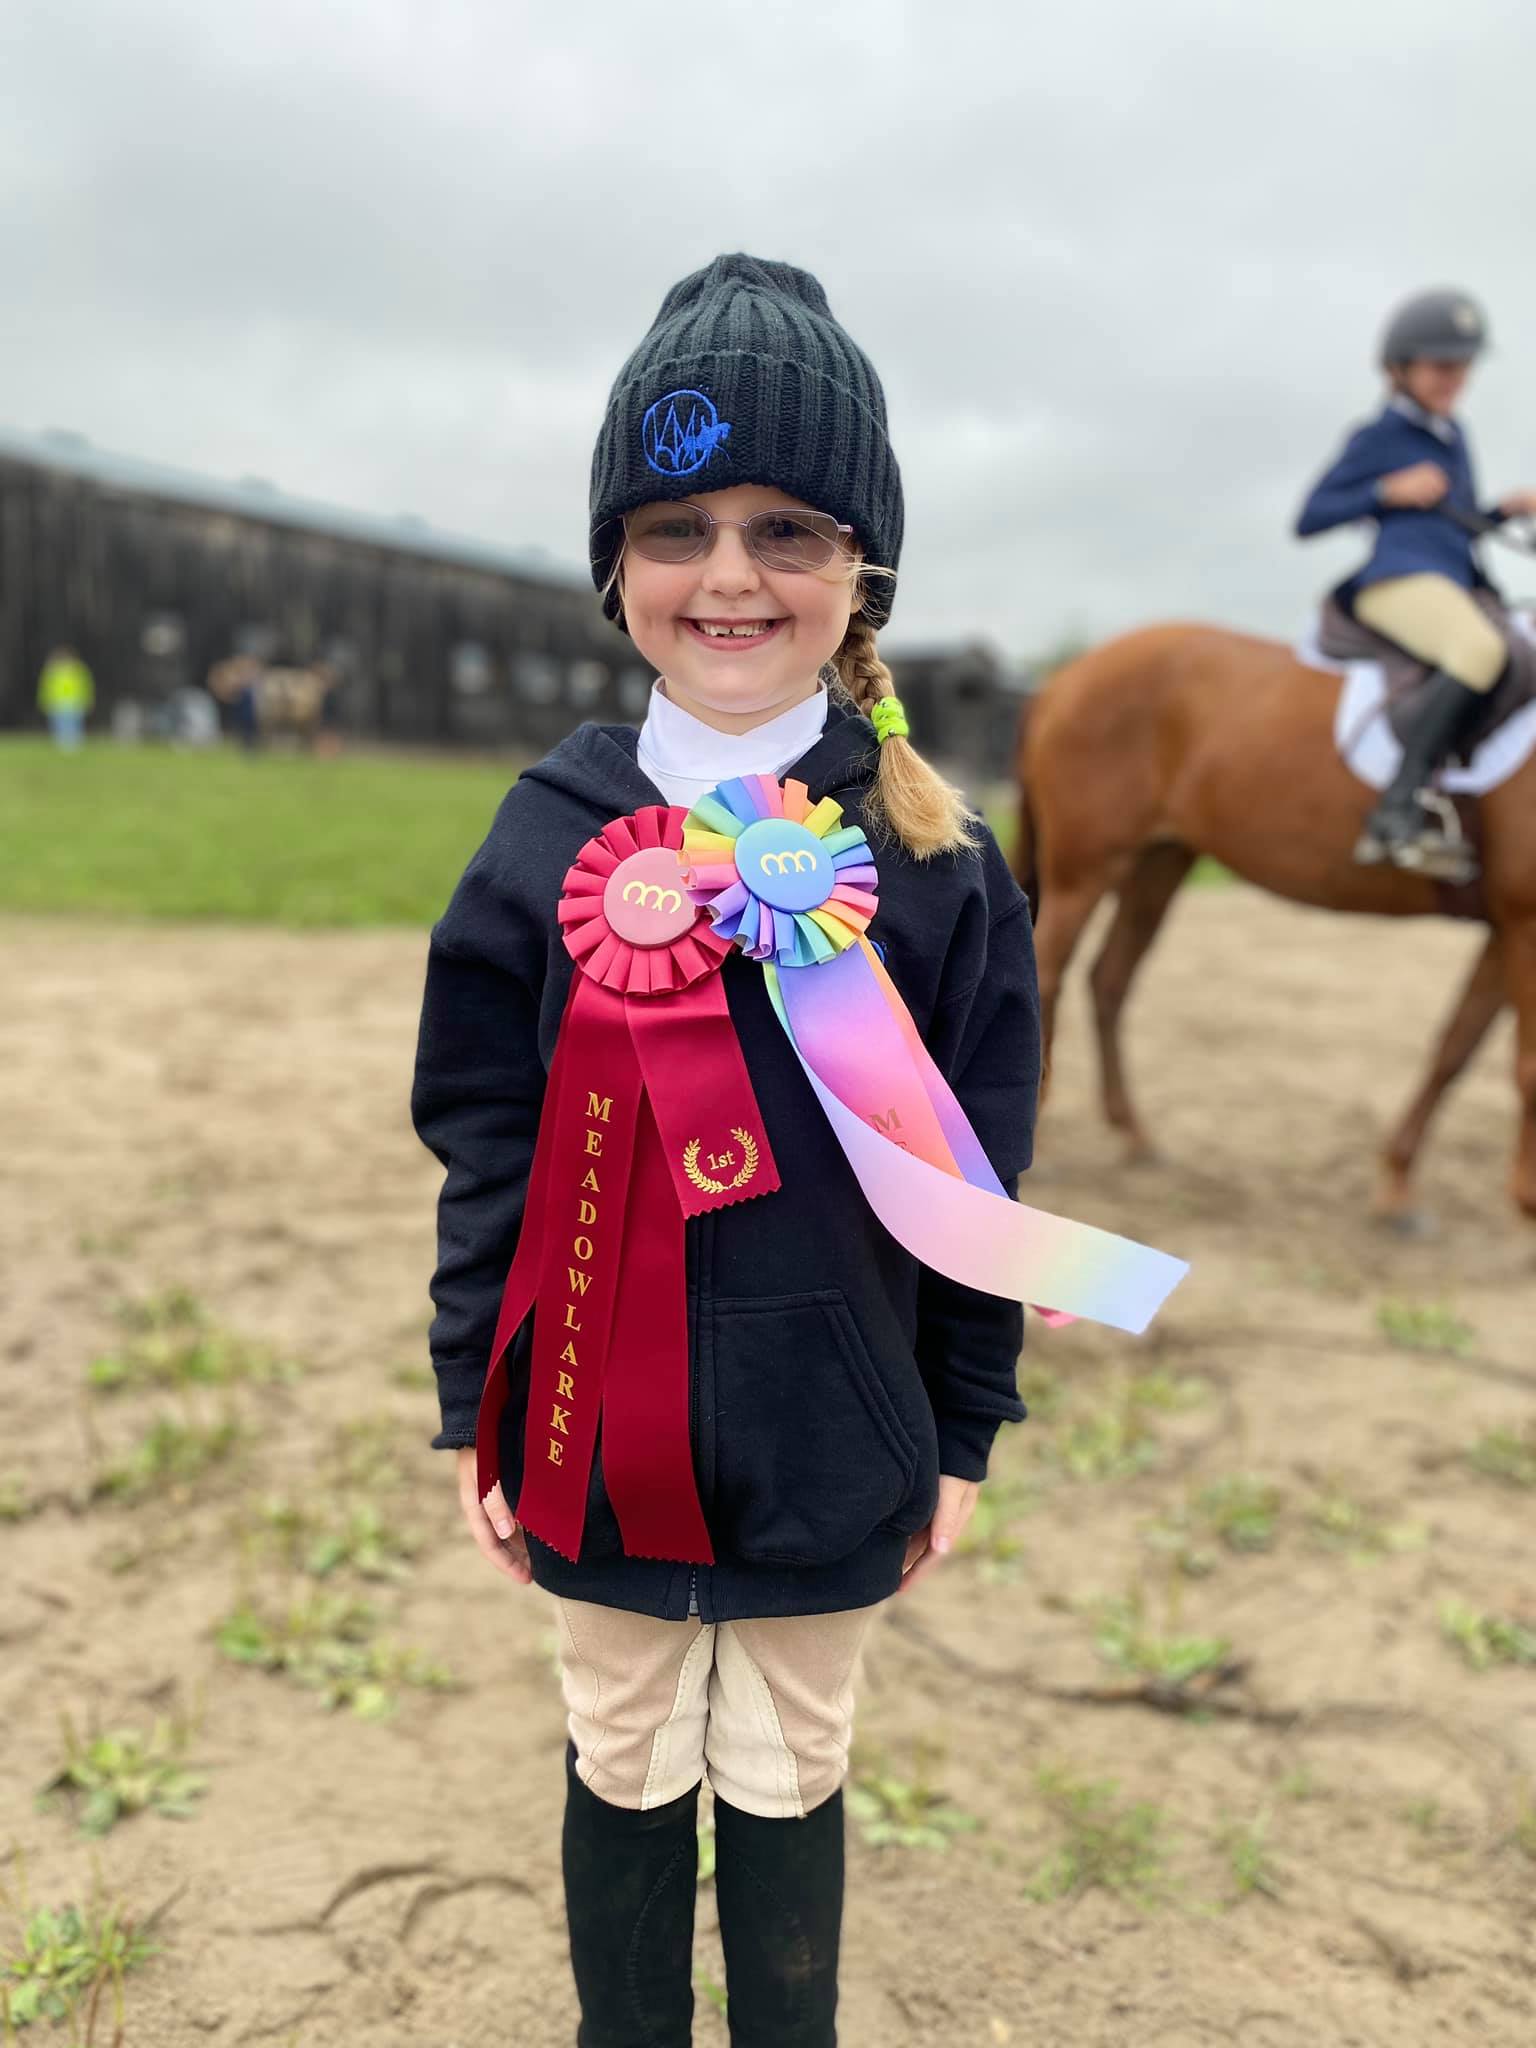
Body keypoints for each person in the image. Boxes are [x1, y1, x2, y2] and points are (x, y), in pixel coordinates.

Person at [411, 254, 1041, 2047]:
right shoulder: (547, 833)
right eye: (676, 526)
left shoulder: (928, 861)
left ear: (863, 570)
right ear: (617, 565)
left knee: (787, 1764)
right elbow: (483, 1139)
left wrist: (964, 1415)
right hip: (588, 1442)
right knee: (618, 1746)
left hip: (832, 1437)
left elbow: (976, 1175)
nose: (731, 575)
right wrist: (478, 1389)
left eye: (787, 527)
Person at [1295, 288, 1536, 878]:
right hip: (1397, 581)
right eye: (1441, 365)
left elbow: (1453, 525)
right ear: (1399, 369)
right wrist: (1385, 491)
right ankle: (1396, 812)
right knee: (1479, 650)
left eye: (1463, 365)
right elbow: (1311, 515)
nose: (1455, 377)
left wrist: (1502, 511)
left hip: (1452, 579)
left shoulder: (1455, 436)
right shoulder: (1378, 435)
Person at [36, 644, 95, 750]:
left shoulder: (78, 670)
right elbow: (45, 687)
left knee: (74, 724)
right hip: (57, 702)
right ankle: (61, 745)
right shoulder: (52, 671)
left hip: (74, 702)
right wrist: (45, 701)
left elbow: (86, 686)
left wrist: (87, 700)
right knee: (59, 724)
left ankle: (74, 746)